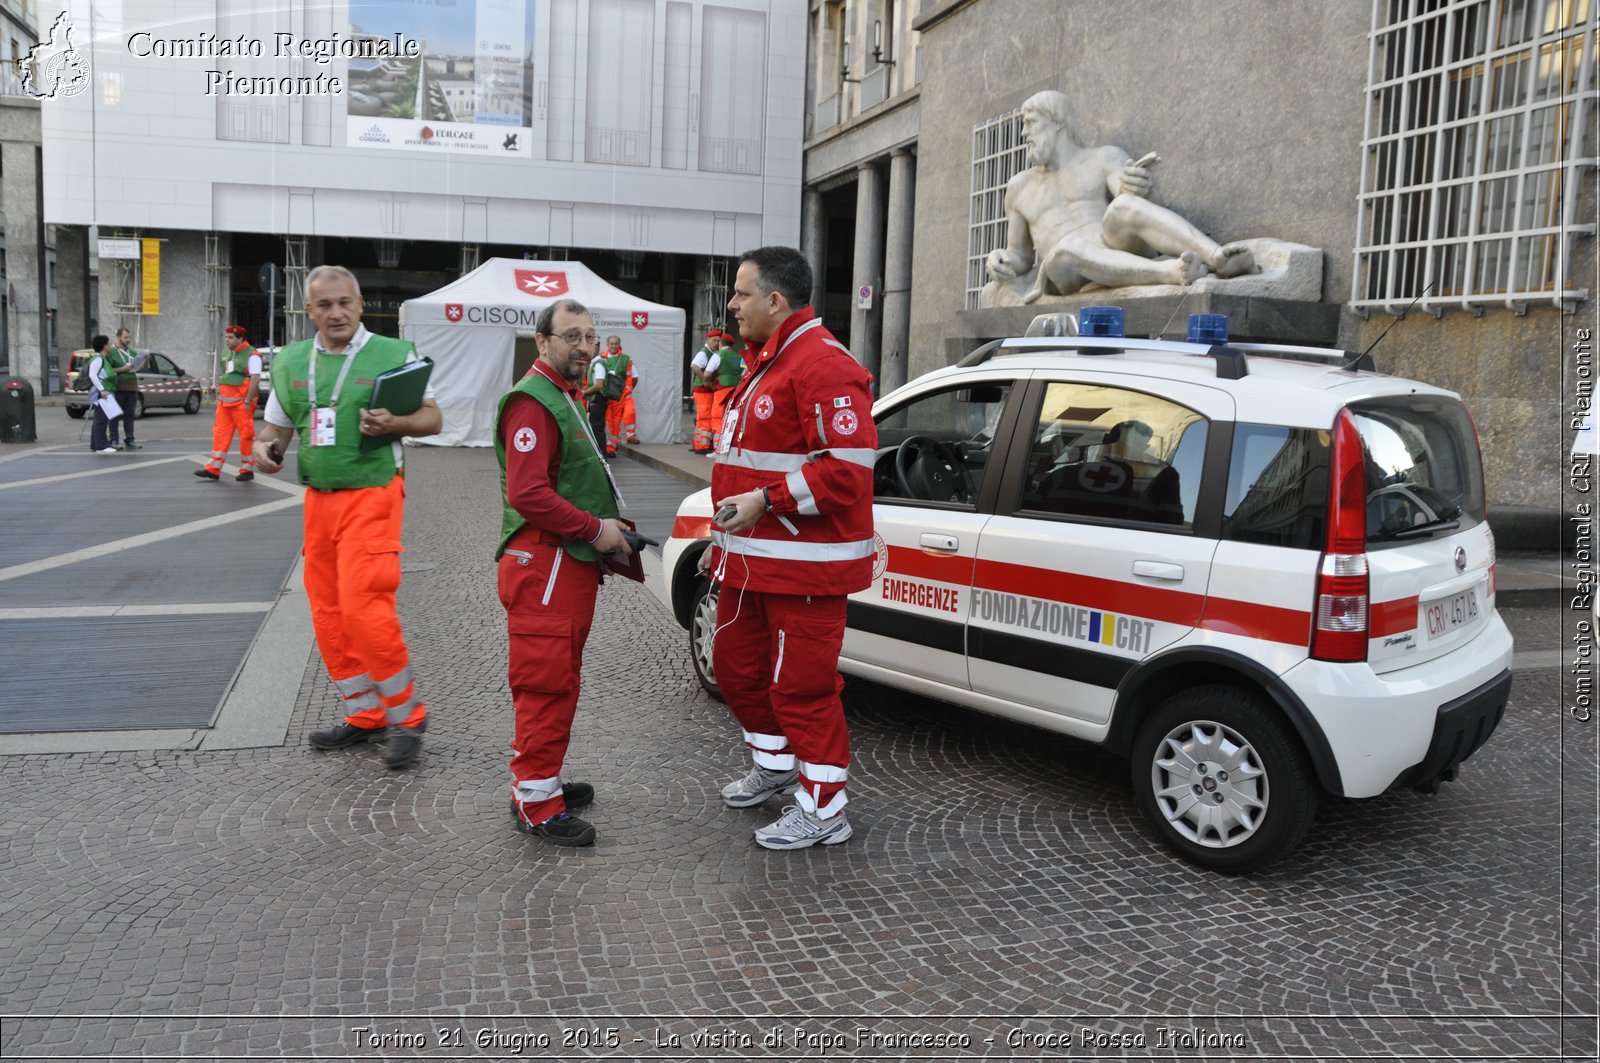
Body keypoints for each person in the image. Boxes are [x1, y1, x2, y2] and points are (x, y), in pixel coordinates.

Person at [706, 245, 876, 850]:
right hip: (752, 561)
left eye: (742, 293)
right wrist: (721, 539)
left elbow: (848, 473)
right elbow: (743, 465)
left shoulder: (821, 366)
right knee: (735, 668)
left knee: (801, 690)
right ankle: (775, 763)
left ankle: (826, 808)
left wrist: (765, 502)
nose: (732, 304)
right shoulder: (767, 361)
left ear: (775, 302)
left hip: (806, 572)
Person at [252, 265, 442, 770]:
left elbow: (432, 417)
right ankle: (366, 715)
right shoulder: (291, 361)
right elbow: (275, 430)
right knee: (328, 611)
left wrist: (397, 422)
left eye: (344, 303)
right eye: (324, 305)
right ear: (310, 310)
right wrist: (264, 450)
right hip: (319, 498)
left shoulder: (392, 353)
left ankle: (408, 715)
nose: (335, 312)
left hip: (373, 493)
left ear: (360, 305)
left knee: (363, 606)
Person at [494, 298, 633, 847]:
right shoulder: (534, 401)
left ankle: (537, 779)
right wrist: (596, 530)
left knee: (559, 678)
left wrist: (606, 521)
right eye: (571, 336)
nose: (583, 346)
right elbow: (529, 494)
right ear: (543, 342)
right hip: (547, 563)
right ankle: (535, 801)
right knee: (546, 683)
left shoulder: (564, 394)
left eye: (590, 337)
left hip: (561, 562)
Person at [985, 89, 1256, 303]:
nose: (1023, 134)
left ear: (1057, 122)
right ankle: (1172, 272)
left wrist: (1135, 187)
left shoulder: (1103, 158)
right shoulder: (1019, 186)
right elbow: (1019, 256)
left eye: (1030, 123)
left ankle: (1217, 257)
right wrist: (1000, 260)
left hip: (1111, 245)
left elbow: (1127, 197)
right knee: (1070, 247)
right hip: (1063, 271)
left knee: (1123, 205)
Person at [196, 325, 261, 482]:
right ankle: (213, 469)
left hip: (241, 402)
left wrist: (247, 400)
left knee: (246, 435)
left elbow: (255, 378)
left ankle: (247, 469)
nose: (227, 340)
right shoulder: (226, 353)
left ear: (240, 339)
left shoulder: (252, 355)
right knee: (220, 433)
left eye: (231, 337)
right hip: (225, 402)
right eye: (226, 337)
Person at [104, 328, 149, 450]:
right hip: (118, 387)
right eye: (125, 337)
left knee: (129, 414)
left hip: (132, 386)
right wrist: (123, 369)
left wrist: (145, 359)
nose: (128, 340)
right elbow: (107, 370)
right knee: (115, 415)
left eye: (129, 337)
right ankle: (113, 439)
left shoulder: (132, 352)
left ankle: (130, 439)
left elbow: (139, 368)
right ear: (118, 337)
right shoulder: (111, 352)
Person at [707, 329, 744, 450]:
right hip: (736, 391)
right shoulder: (739, 356)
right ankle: (728, 447)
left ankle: (717, 449)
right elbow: (744, 373)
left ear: (720, 343)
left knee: (718, 418)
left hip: (721, 390)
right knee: (732, 418)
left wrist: (708, 382)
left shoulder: (718, 355)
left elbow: (707, 373)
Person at [598, 335, 634, 456]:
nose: (613, 346)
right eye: (611, 344)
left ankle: (611, 447)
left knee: (615, 421)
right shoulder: (601, 358)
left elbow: (630, 378)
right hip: (604, 395)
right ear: (607, 345)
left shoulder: (625, 359)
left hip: (618, 396)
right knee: (605, 421)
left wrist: (627, 393)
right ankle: (604, 446)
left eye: (616, 344)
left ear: (619, 345)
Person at [84, 334, 120, 454]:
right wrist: (101, 390)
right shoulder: (98, 359)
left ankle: (95, 444)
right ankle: (101, 446)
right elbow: (92, 375)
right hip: (102, 393)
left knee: (100, 419)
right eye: (108, 343)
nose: (110, 346)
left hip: (104, 392)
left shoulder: (101, 358)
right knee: (101, 420)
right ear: (104, 346)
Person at [689, 329, 720, 453]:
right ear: (708, 339)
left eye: (718, 341)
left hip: (702, 390)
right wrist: (705, 379)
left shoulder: (710, 352)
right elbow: (694, 365)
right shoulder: (704, 353)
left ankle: (698, 444)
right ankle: (703, 447)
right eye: (714, 340)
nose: (717, 343)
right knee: (705, 418)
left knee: (701, 418)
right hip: (703, 390)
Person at [582, 352, 610, 456]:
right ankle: (600, 454)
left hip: (598, 399)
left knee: (597, 428)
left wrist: (585, 392)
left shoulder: (598, 364)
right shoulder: (594, 363)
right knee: (595, 428)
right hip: (596, 399)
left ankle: (601, 456)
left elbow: (599, 385)